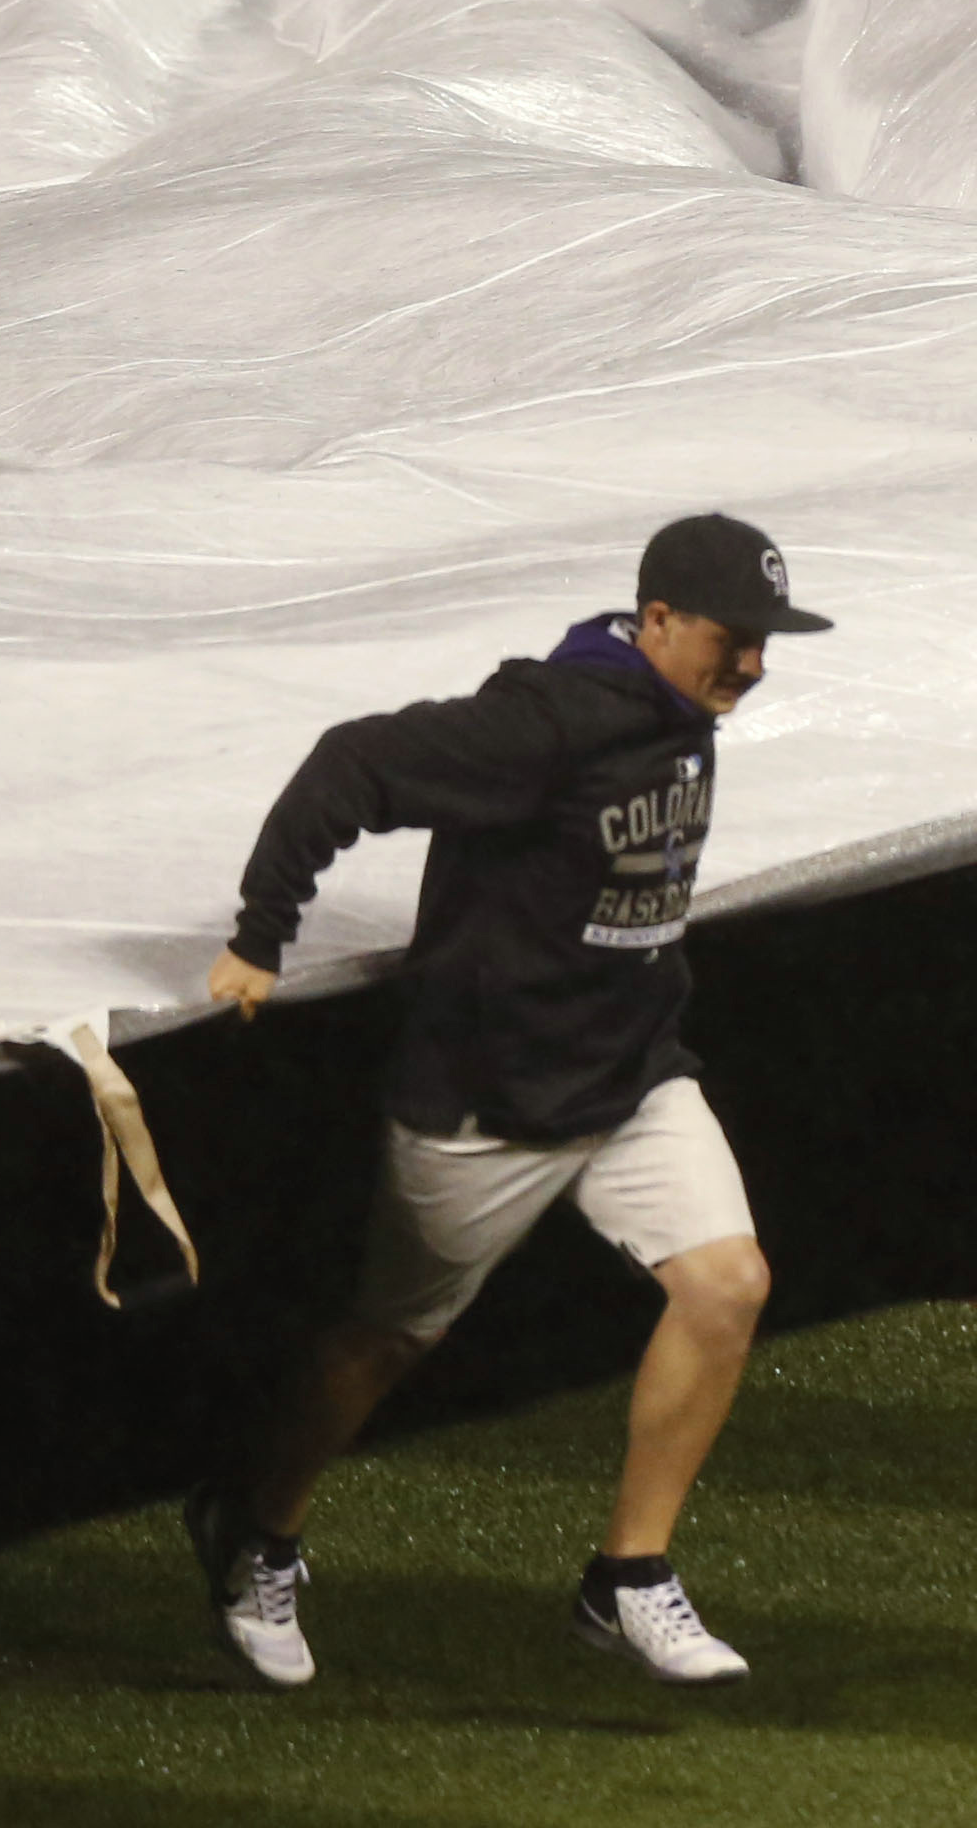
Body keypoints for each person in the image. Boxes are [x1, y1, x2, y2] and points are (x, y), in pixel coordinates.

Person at [183, 514, 834, 1692]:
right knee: (384, 1342)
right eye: (732, 640)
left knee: (729, 1283)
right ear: (657, 621)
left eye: (763, 644)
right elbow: (352, 762)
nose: (751, 665)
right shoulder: (549, 722)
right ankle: (254, 1533)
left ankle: (626, 1578)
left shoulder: (683, 712)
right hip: (488, 1096)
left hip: (631, 1075)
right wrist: (260, 936)